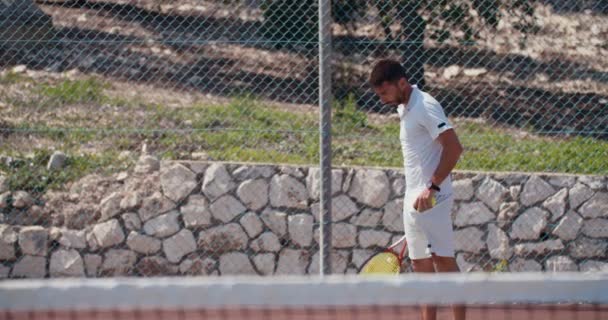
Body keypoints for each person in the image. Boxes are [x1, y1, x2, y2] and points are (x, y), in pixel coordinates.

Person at [369, 59, 465, 320]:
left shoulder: (425, 106)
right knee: (420, 265)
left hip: (434, 198)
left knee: (443, 261)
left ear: (402, 83)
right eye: (379, 95)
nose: (382, 100)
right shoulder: (405, 108)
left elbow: (454, 148)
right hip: (413, 200)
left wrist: (432, 187)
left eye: (385, 93)